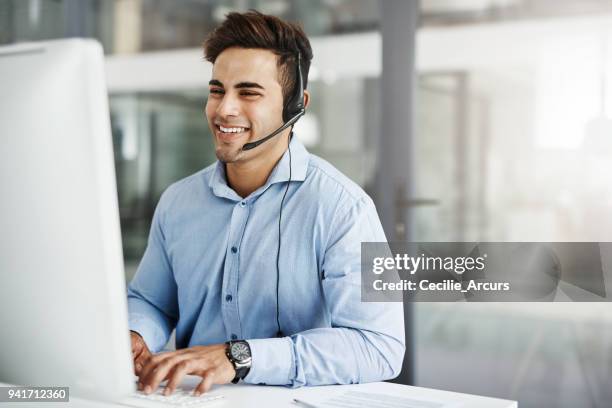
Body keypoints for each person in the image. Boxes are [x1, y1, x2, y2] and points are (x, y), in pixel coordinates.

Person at [128, 10, 405, 397]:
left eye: (248, 92)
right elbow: (152, 301)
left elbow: (379, 346)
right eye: (216, 90)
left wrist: (239, 357)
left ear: (296, 104)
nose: (224, 109)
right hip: (189, 399)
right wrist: (137, 332)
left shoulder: (344, 208)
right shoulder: (178, 202)